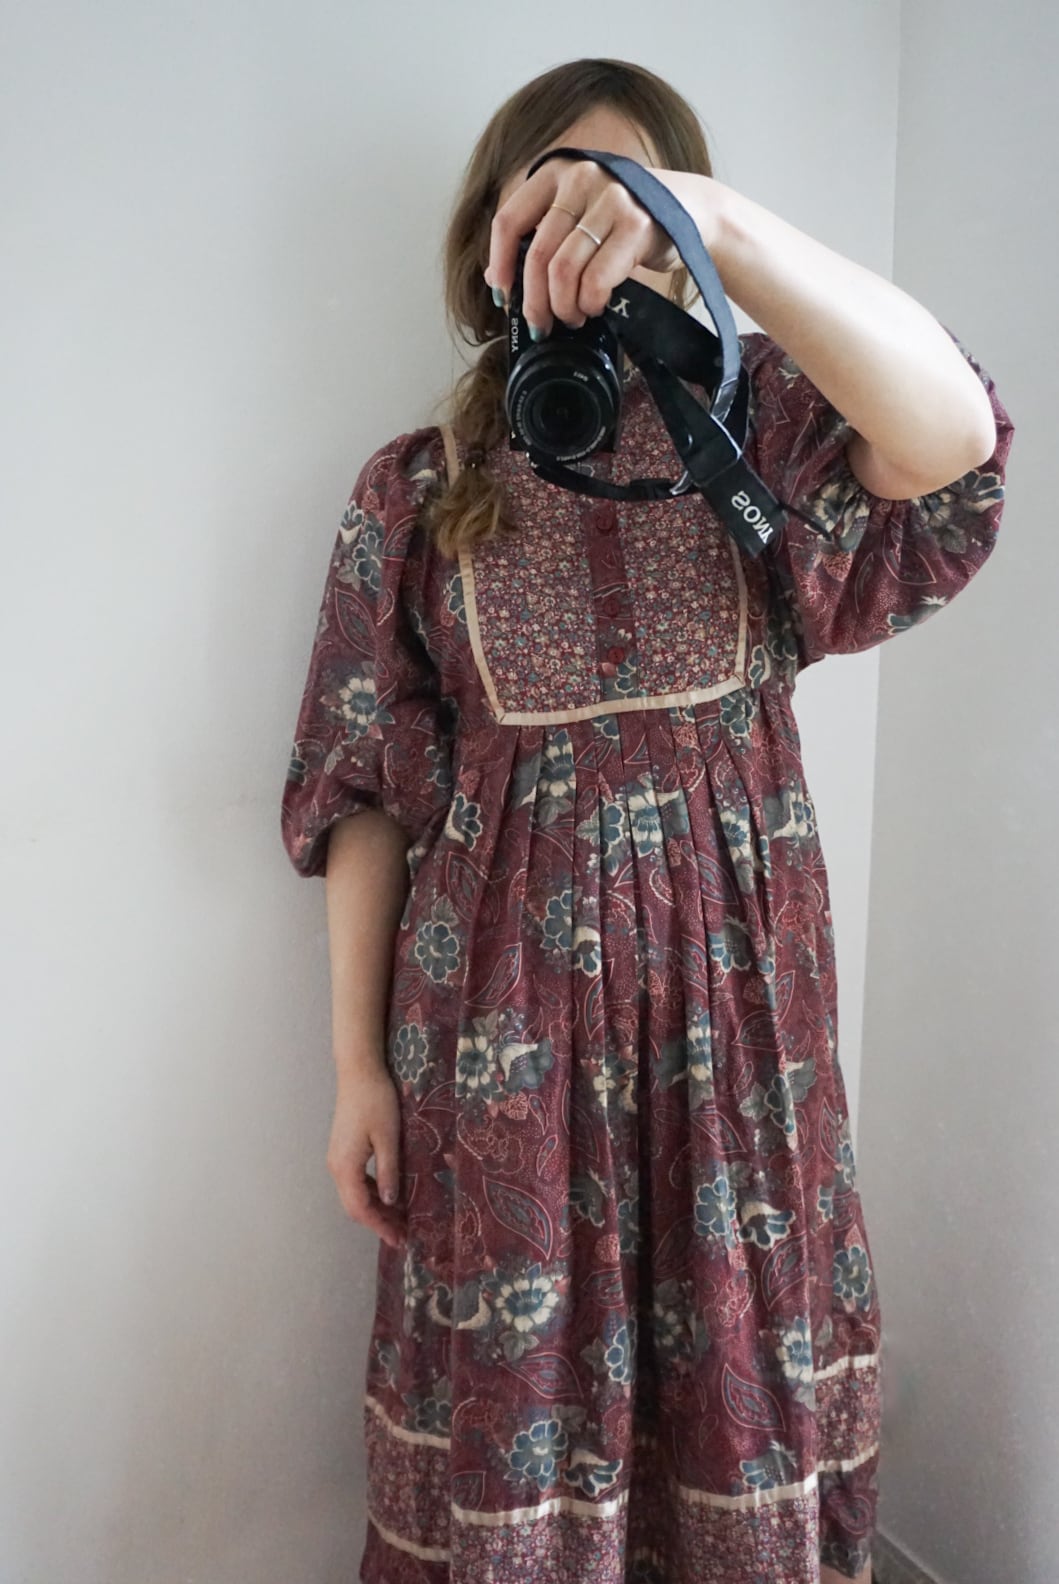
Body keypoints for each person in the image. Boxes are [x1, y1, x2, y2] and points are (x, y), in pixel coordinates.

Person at [280, 57, 1014, 1584]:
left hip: (739, 1045)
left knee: (734, 1373)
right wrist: (356, 1070)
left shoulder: (770, 442)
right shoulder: (418, 491)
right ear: (492, 234)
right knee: (523, 1393)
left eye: (630, 205)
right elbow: (366, 790)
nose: (590, 235)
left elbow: (954, 446)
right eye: (557, 196)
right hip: (501, 1061)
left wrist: (716, 226)